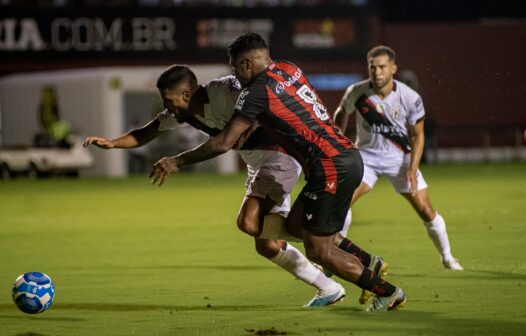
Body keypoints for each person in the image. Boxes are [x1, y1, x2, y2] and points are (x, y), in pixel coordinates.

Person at [149, 33, 406, 312]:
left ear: (247, 64)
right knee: (296, 226)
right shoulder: (288, 68)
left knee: (319, 251)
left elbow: (224, 142)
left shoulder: (255, 92)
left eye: (236, 68)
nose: (235, 75)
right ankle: (368, 262)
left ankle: (388, 293)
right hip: (343, 157)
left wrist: (178, 162)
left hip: (330, 167)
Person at [84, 64, 347, 307]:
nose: (166, 107)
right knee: (266, 244)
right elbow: (145, 133)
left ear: (186, 94)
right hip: (258, 162)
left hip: (279, 155)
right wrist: (112, 143)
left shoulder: (226, 89)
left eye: (168, 100)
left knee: (247, 221)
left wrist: (177, 161)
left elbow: (253, 108)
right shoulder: (183, 113)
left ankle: (331, 241)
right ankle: (327, 285)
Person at [333, 46, 463, 277]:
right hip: (367, 158)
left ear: (393, 68)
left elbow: (418, 135)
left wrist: (412, 168)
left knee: (425, 210)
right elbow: (342, 112)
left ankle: (448, 257)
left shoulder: (410, 98)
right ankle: (335, 258)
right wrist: (338, 142)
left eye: (382, 67)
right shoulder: (357, 91)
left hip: (399, 160)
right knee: (341, 203)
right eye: (372, 67)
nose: (377, 72)